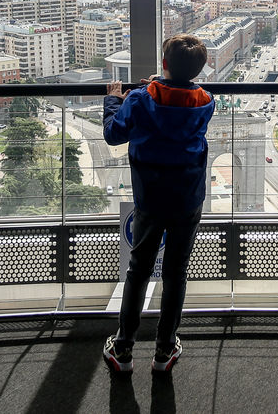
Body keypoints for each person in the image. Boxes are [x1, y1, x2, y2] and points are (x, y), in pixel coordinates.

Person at [101, 34, 214, 374]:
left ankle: (123, 349)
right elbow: (177, 101)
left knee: (138, 271)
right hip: (188, 197)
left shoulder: (138, 100)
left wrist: (114, 100)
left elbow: (114, 134)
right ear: (198, 70)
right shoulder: (205, 101)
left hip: (150, 197)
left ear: (164, 65)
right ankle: (165, 351)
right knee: (176, 273)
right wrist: (159, 84)